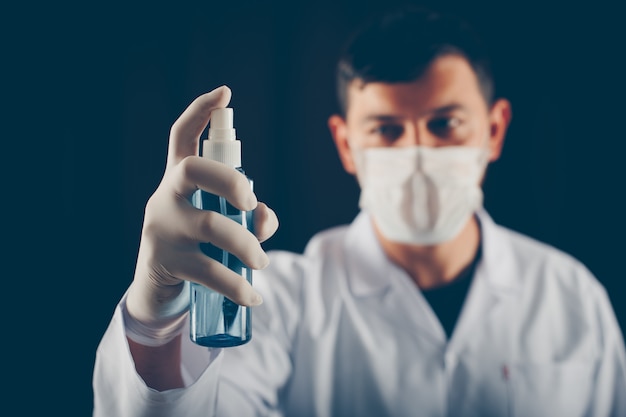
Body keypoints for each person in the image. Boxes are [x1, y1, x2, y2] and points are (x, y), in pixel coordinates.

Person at [93, 6, 626, 417]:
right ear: (346, 145)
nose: (417, 155)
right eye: (387, 130)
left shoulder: (572, 298)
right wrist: (155, 318)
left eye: (444, 124)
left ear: (494, 129)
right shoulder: (275, 300)